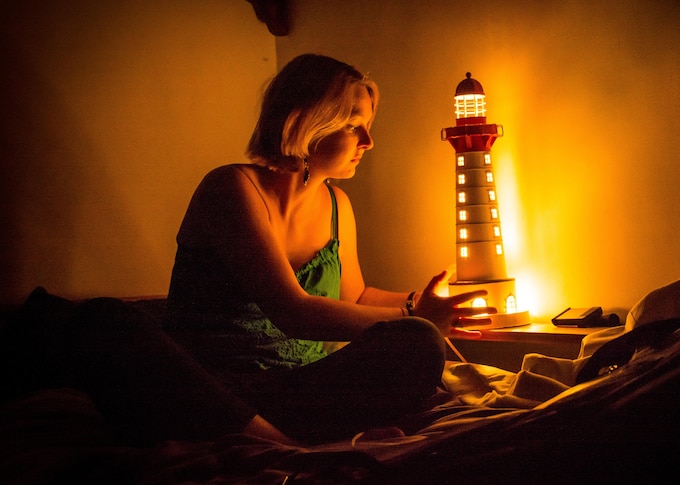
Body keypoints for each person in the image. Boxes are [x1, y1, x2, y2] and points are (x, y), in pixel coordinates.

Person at [165, 53, 493, 444]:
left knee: (417, 347)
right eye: (355, 126)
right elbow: (294, 313)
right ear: (305, 122)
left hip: (301, 388)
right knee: (100, 320)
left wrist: (425, 300)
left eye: (368, 125)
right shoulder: (231, 189)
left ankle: (312, 431)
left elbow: (355, 296)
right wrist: (414, 316)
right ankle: (273, 438)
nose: (368, 142)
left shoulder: (337, 204)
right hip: (224, 391)